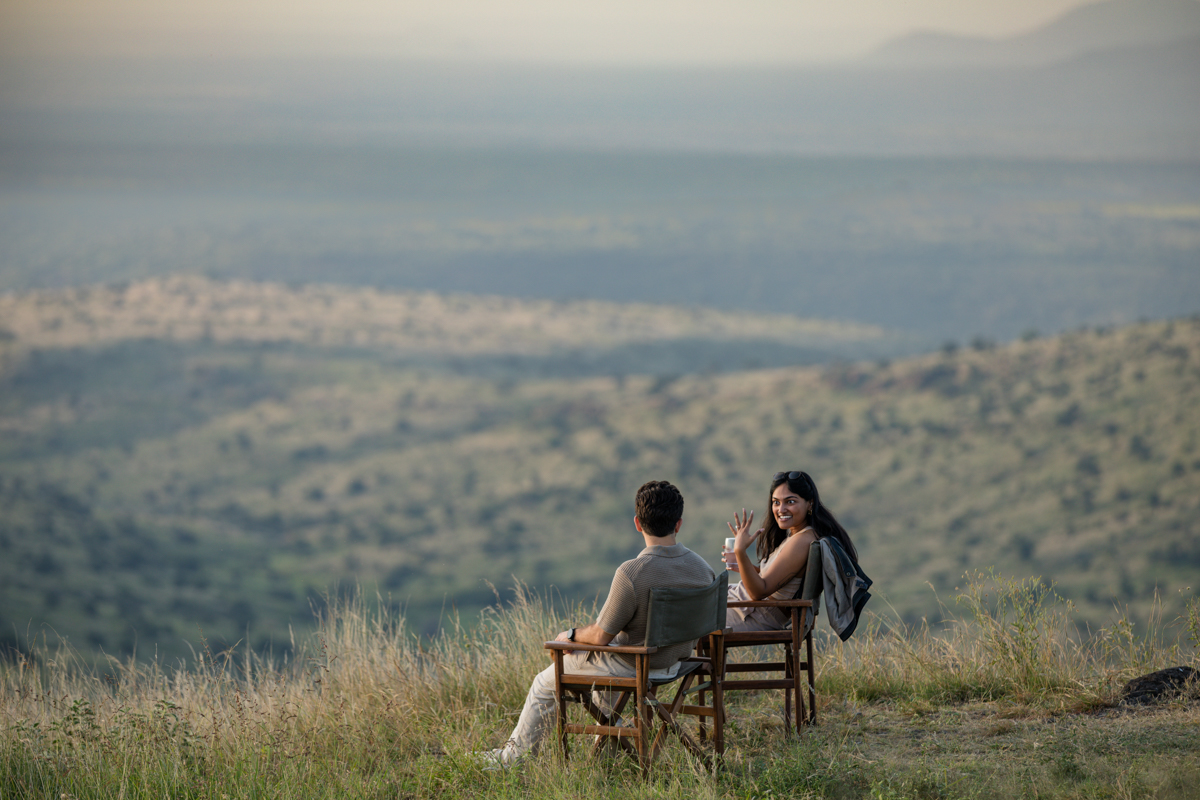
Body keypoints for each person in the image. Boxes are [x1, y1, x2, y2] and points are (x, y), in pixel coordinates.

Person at [480, 479, 715, 767]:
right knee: (608, 664)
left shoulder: (633, 572)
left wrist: (570, 635)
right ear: (678, 524)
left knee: (544, 682)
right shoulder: (703, 569)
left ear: (638, 524)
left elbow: (602, 636)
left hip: (638, 665)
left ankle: (512, 759)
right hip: (677, 664)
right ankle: (607, 754)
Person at [722, 470, 857, 632]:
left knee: (692, 621)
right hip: (748, 607)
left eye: (790, 502)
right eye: (776, 502)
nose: (781, 509)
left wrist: (740, 551)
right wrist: (745, 566)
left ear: (810, 503)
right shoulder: (797, 535)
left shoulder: (802, 541)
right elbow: (777, 581)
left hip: (755, 614)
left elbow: (758, 593)